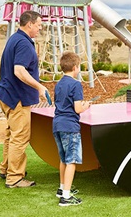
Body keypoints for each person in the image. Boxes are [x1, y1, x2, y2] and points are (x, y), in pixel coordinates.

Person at [0, 10, 49, 188]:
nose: (39, 29)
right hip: (17, 98)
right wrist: (39, 86)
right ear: (30, 24)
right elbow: (19, 70)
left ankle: (5, 169)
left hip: (6, 95)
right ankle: (15, 178)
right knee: (20, 137)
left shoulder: (14, 38)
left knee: (11, 135)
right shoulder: (25, 44)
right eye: (39, 25)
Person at [52, 51, 91, 206]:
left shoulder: (59, 84)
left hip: (57, 125)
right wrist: (86, 105)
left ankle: (62, 189)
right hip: (70, 126)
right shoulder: (76, 84)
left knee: (63, 159)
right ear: (75, 67)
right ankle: (66, 197)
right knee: (72, 161)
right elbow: (77, 109)